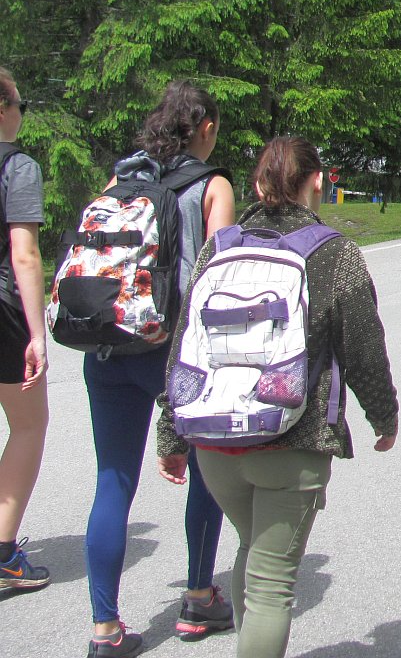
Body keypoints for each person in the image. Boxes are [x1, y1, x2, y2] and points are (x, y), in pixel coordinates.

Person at [157, 136, 398, 658]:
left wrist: (170, 434)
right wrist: (385, 416)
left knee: (253, 551)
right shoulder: (335, 253)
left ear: (257, 184)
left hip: (216, 445)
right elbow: (363, 347)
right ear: (318, 181)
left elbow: (185, 345)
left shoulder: (219, 248)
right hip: (293, 443)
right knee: (271, 585)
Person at [83, 82, 236, 657]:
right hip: (174, 352)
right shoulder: (212, 185)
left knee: (112, 482)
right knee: (205, 471)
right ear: (205, 128)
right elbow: (220, 279)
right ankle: (198, 598)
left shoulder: (118, 181)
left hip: (109, 347)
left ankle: (105, 630)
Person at [0, 68, 50, 592]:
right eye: (21, 104)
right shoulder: (17, 166)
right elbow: (25, 254)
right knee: (28, 424)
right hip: (3, 310)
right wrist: (38, 334)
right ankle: (3, 551)